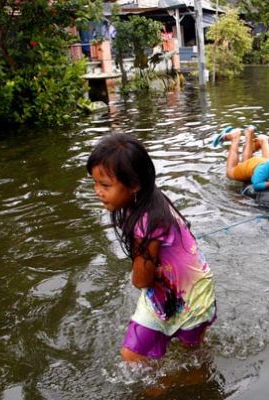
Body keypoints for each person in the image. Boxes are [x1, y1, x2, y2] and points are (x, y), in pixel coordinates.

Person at [87, 133, 216, 362]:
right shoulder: (147, 199)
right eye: (95, 183)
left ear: (134, 185)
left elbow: (141, 280)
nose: (98, 190)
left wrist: (140, 272)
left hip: (190, 295)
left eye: (105, 185)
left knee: (160, 357)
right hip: (180, 289)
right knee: (157, 356)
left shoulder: (146, 220)